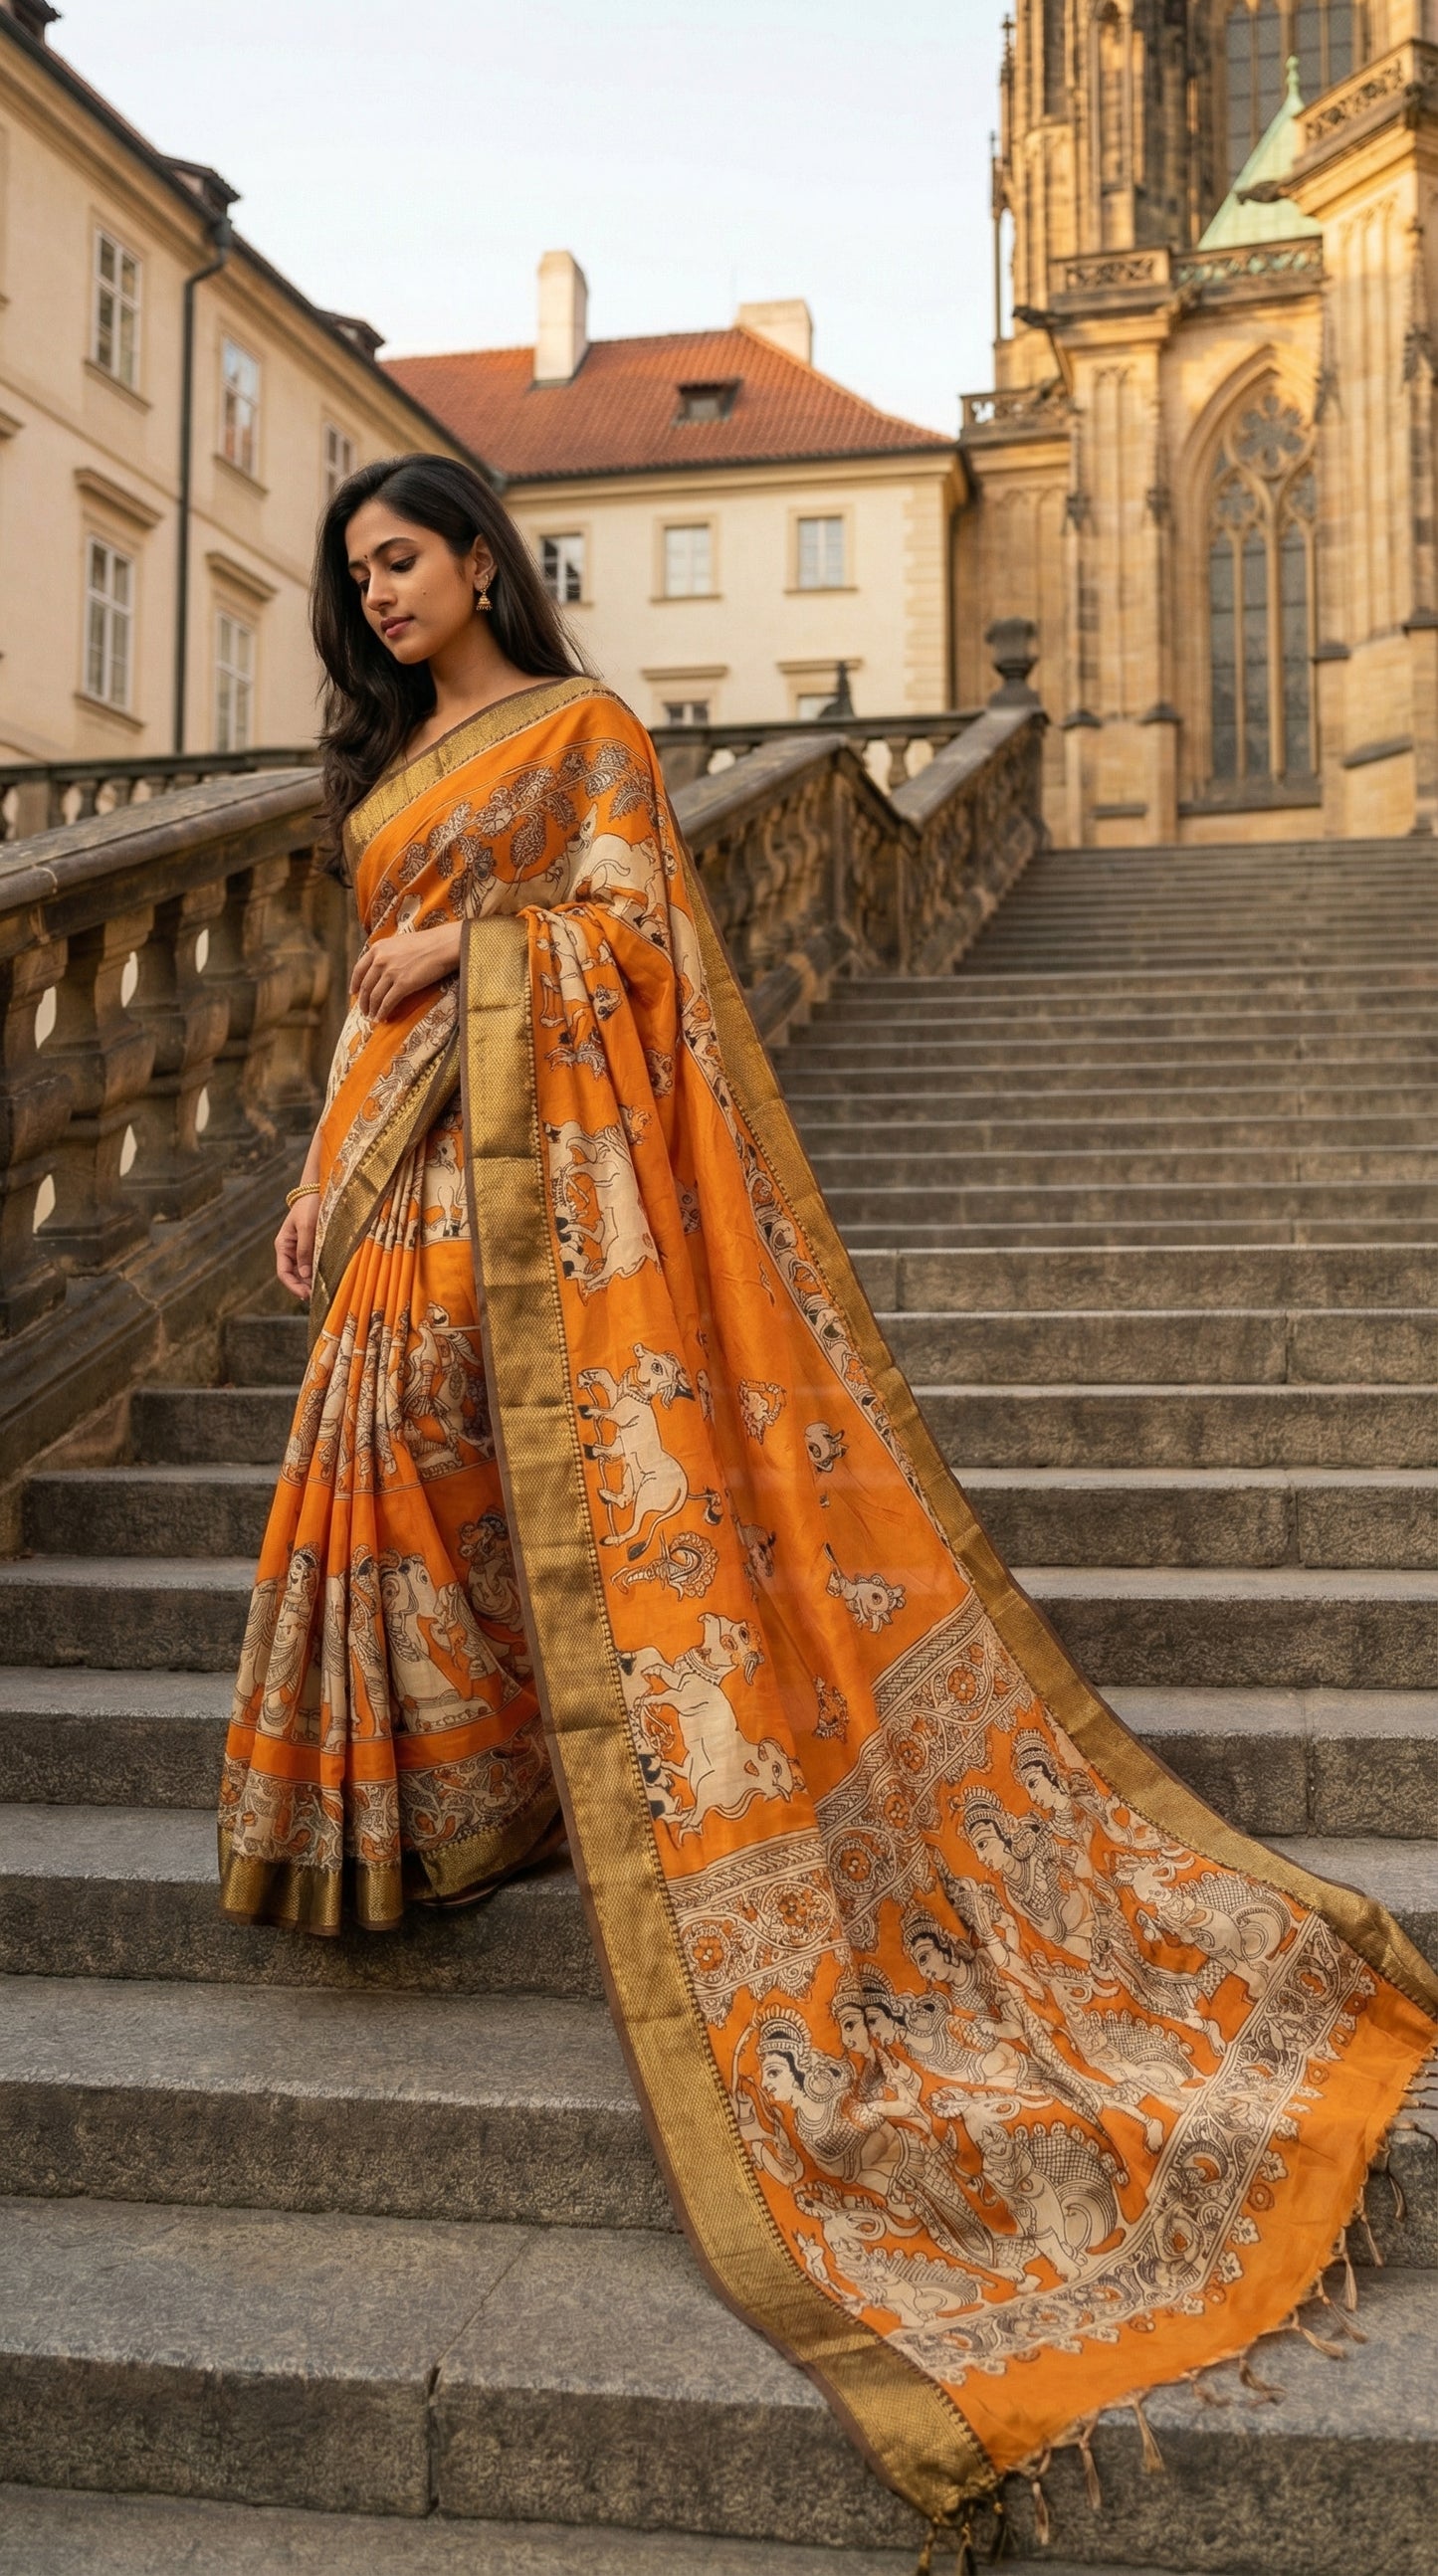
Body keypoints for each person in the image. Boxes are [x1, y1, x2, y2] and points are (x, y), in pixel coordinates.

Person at [219, 453, 1436, 2543]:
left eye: (403, 560)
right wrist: (323, 1168)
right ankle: (427, 1820)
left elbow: (641, 944)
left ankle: (558, 1786)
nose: (382, 597)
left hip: (546, 1156)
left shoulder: (583, 733)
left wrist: (481, 951)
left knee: (516, 1484)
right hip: (409, 1167)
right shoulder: (391, 762)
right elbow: (363, 988)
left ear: (483, 559)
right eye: (359, 577)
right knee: (397, 1478)